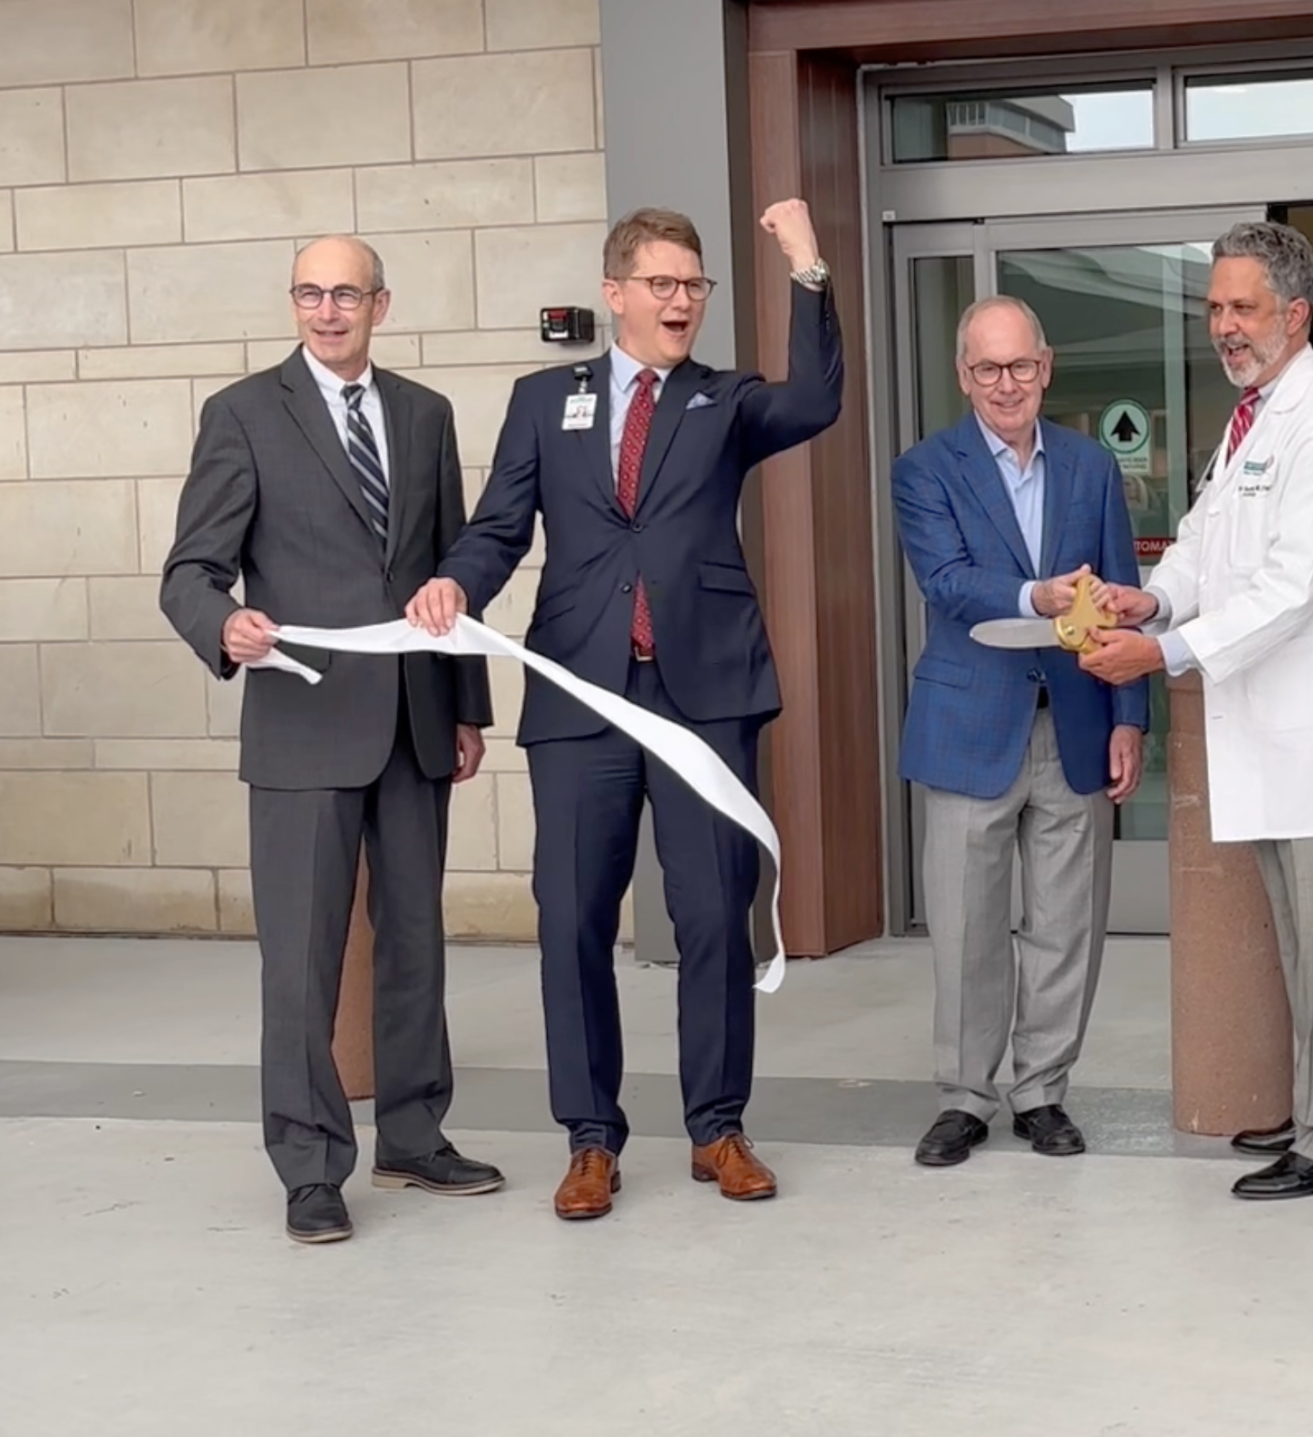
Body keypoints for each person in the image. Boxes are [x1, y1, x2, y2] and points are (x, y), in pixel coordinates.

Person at [404, 201, 845, 1221]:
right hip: (580, 690)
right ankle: (590, 1139)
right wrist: (457, 583)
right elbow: (499, 526)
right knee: (571, 918)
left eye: (694, 284)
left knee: (714, 916)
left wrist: (807, 267)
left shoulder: (725, 399)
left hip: (707, 694)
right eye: (662, 283)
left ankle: (718, 1127)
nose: (682, 300)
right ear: (616, 294)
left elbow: (817, 400)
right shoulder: (542, 400)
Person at [160, 235, 499, 1245]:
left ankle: (413, 1136)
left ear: (380, 305)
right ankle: (309, 1165)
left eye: (345, 293)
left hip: (414, 721)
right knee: (301, 961)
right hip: (303, 721)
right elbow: (189, 571)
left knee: (415, 941)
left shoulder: (425, 414)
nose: (326, 310)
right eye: (309, 293)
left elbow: (449, 569)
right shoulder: (243, 415)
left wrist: (466, 706)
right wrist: (223, 624)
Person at [1080, 220, 1313, 1201]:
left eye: (1243, 308)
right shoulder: (1252, 420)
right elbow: (1201, 544)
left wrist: (1164, 652)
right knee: (1299, 941)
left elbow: (1291, 587)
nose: (1224, 326)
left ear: (1296, 314)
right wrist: (1152, 600)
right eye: (1215, 307)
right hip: (1272, 721)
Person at [890, 295, 1148, 1167]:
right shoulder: (926, 469)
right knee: (966, 927)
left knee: (1066, 924)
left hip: (1074, 721)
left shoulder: (1090, 465)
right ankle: (965, 1095)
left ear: (1047, 367)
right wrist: (1033, 596)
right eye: (989, 369)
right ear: (963, 376)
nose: (1007, 384)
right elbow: (946, 580)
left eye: (1022, 366)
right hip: (970, 724)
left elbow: (1121, 593)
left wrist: (1130, 717)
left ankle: (1042, 1091)